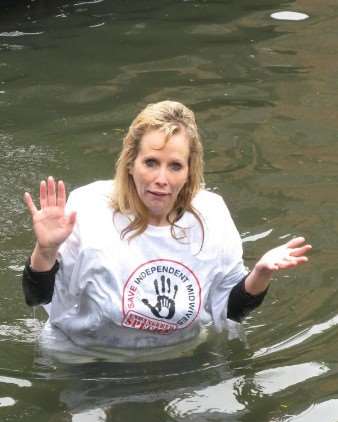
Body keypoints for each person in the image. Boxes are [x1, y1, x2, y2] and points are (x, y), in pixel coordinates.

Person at [22, 100, 311, 355]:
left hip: (176, 361)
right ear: (130, 164)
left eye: (174, 166)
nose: (162, 178)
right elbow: (37, 299)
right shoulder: (88, 208)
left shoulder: (211, 215)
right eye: (151, 162)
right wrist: (45, 252)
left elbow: (231, 310)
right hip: (86, 359)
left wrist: (260, 275)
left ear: (189, 171)